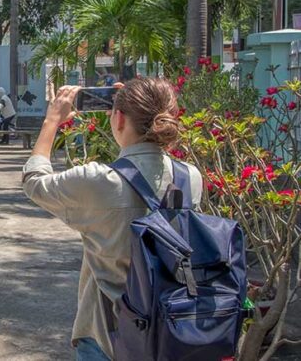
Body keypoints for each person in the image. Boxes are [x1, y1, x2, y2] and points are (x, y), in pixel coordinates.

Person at [21, 78, 203, 360]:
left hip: (107, 336)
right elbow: (137, 167)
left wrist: (51, 122)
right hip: (171, 331)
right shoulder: (190, 177)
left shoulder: (98, 180)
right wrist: (121, 116)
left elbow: (34, 181)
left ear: (118, 119)